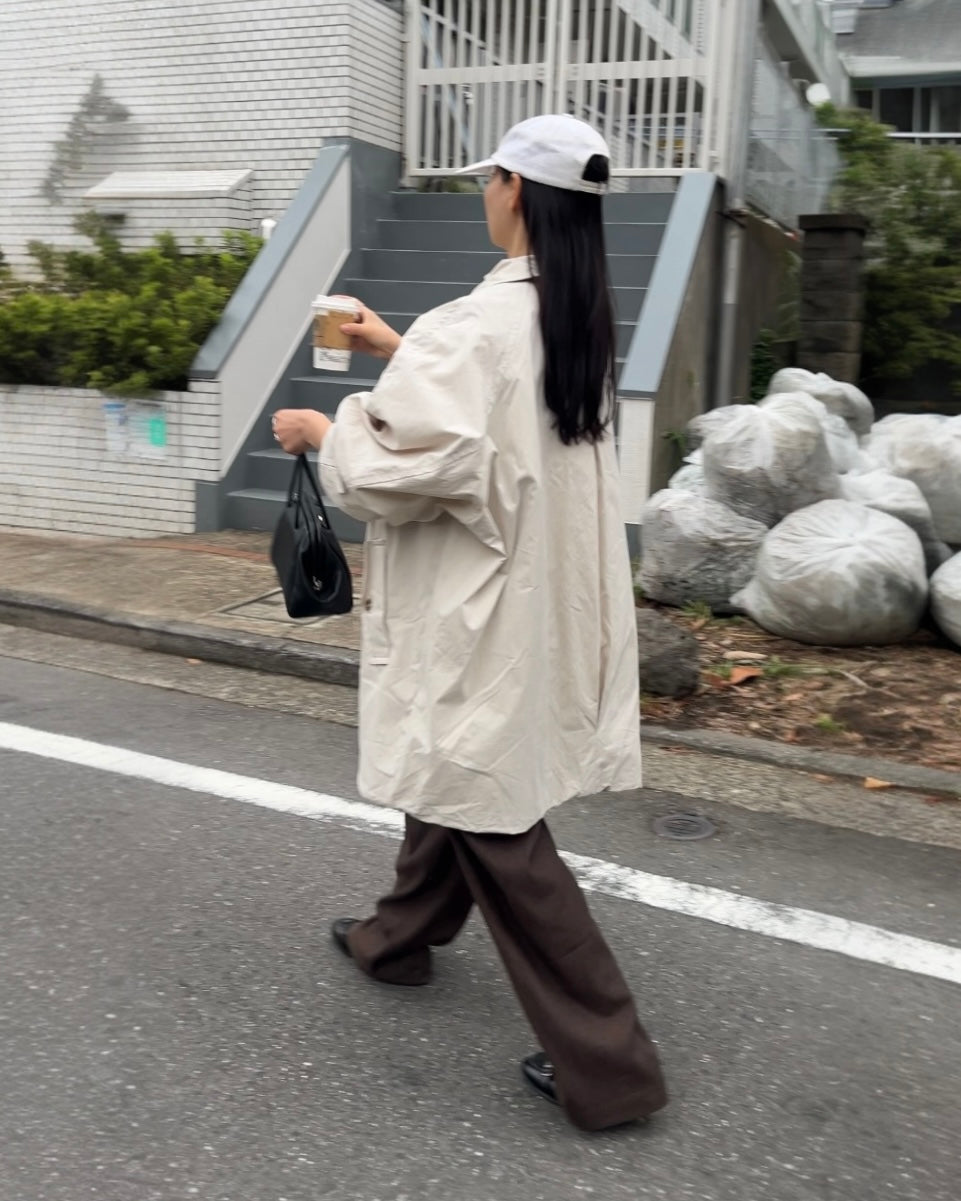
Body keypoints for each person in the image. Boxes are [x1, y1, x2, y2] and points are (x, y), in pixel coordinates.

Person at [271, 113, 667, 1132]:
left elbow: (406, 469)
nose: (482, 195)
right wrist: (392, 344)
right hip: (535, 596)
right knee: (450, 770)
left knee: (487, 806)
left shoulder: (478, 325)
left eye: (487, 179)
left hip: (478, 601)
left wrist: (326, 432)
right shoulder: (571, 316)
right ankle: (393, 939)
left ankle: (609, 1066)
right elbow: (493, 415)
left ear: (512, 190)